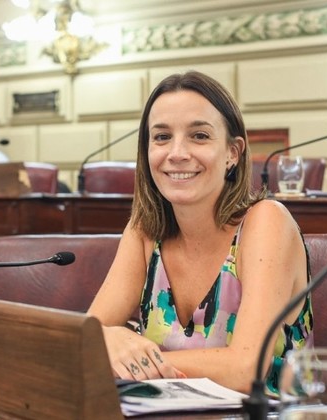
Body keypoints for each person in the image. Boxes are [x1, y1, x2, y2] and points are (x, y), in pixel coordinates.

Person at [87, 71, 313, 394]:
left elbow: (245, 368)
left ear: (233, 153)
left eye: (199, 136)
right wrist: (108, 339)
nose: (177, 153)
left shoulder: (267, 221)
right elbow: (88, 337)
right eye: (162, 137)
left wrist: (135, 358)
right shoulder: (144, 231)